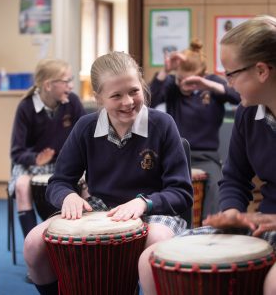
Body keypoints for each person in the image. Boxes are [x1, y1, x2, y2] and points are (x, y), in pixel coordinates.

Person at [23, 51, 193, 294]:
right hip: (101, 209)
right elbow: (59, 182)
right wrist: (68, 196)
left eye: (134, 91)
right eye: (116, 95)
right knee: (33, 244)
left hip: (154, 211)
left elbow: (181, 193)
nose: (128, 101)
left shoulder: (163, 124)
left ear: (142, 87)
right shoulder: (85, 127)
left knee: (156, 245)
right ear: (99, 98)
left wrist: (144, 204)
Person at [139, 15, 276, 295]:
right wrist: (231, 214)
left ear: (262, 71)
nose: (228, 82)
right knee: (151, 260)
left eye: (231, 73)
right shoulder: (248, 114)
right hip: (263, 226)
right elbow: (235, 179)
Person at [150, 39, 241, 220]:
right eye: (180, 79)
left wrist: (208, 85)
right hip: (176, 154)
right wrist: (165, 71)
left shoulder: (212, 84)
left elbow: (238, 97)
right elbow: (148, 101)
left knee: (216, 186)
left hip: (207, 156)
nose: (184, 85)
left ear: (202, 75)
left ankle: (209, 227)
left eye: (190, 81)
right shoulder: (172, 86)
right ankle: (172, 224)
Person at [8, 58, 86, 242]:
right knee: (21, 185)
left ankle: (81, 242)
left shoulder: (72, 102)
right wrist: (36, 159)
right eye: (66, 81)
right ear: (49, 85)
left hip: (64, 163)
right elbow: (16, 152)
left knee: (89, 182)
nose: (71, 85)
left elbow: (86, 138)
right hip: (32, 165)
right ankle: (32, 245)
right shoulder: (25, 107)